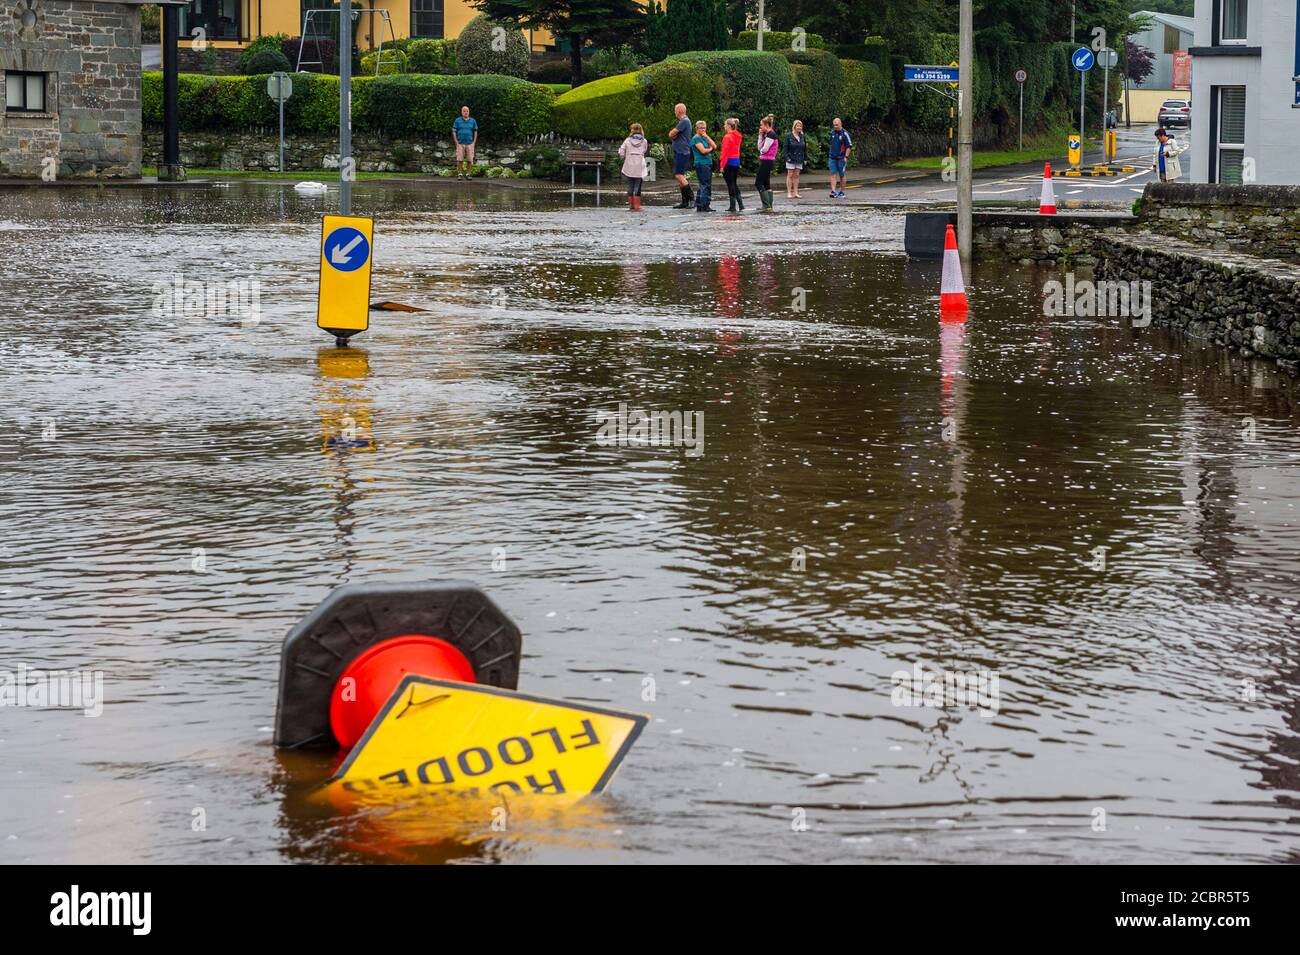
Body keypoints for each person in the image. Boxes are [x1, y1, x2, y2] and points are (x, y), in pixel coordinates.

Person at [668, 103, 694, 208]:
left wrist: (673, 135)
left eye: (675, 110)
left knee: (679, 175)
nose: (674, 113)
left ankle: (692, 198)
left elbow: (671, 134)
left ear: (679, 111)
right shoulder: (684, 122)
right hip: (681, 151)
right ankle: (684, 201)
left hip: (682, 151)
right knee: (680, 176)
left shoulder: (684, 121)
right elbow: (673, 135)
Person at [618, 123, 649, 211]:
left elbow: (621, 151)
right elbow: (645, 150)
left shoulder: (627, 140)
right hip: (639, 164)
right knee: (638, 185)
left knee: (630, 185)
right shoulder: (644, 141)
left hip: (629, 164)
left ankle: (631, 205)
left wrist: (623, 156)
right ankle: (637, 206)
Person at [690, 120, 716, 213]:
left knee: (706, 184)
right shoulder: (695, 139)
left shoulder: (705, 137)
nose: (703, 130)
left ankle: (702, 204)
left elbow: (715, 146)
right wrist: (710, 149)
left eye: (704, 128)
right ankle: (703, 205)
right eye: (701, 128)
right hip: (701, 164)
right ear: (697, 129)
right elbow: (703, 151)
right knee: (705, 184)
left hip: (708, 163)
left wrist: (707, 137)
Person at [719, 118, 743, 213]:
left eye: (725, 125)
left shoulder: (727, 137)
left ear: (729, 126)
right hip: (736, 161)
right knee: (734, 183)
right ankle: (741, 205)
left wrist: (721, 165)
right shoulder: (738, 136)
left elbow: (725, 152)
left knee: (730, 184)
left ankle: (732, 206)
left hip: (728, 162)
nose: (724, 126)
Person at [755, 114, 778, 211]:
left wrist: (761, 150)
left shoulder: (771, 134)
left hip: (767, 160)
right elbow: (759, 147)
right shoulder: (767, 134)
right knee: (766, 183)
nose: (760, 127)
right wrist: (760, 136)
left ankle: (766, 205)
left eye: (761, 125)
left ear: (766, 125)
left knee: (758, 182)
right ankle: (769, 206)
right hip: (766, 160)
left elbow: (764, 149)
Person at [827, 117, 853, 198]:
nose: (835, 126)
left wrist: (846, 156)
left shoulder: (845, 133)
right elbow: (831, 144)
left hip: (842, 158)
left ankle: (842, 192)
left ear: (840, 124)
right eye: (834, 125)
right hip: (832, 157)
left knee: (842, 175)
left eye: (837, 125)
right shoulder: (832, 133)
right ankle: (833, 191)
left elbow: (849, 146)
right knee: (832, 174)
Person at [452, 106, 477, 181]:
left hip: (470, 143)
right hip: (460, 143)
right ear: (461, 112)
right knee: (460, 159)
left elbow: (475, 131)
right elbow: (454, 131)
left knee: (470, 160)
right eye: (464, 111)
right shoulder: (457, 120)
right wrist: (456, 141)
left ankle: (468, 174)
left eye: (467, 111)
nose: (465, 112)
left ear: (469, 112)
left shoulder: (473, 121)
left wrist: (474, 142)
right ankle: (459, 174)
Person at [784, 119, 806, 198]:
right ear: (794, 126)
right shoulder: (788, 136)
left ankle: (796, 192)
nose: (799, 127)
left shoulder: (802, 136)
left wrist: (805, 158)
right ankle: (789, 193)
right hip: (791, 158)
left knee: (796, 175)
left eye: (800, 126)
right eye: (798, 126)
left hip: (799, 158)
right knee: (790, 175)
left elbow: (804, 148)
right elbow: (785, 148)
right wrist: (787, 158)